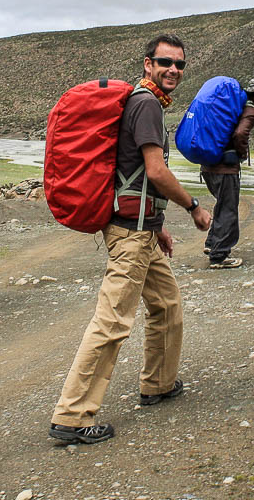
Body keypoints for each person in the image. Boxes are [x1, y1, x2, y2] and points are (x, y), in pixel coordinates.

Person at [49, 34, 213, 445]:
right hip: (130, 234)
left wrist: (158, 225)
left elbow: (133, 173)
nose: (173, 70)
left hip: (142, 228)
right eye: (165, 62)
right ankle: (72, 416)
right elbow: (155, 171)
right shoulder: (146, 105)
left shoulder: (144, 102)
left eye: (179, 64)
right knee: (112, 321)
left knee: (166, 305)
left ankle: (158, 383)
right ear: (147, 64)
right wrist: (193, 205)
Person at [200, 77, 254, 269]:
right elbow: (239, 134)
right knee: (228, 208)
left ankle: (212, 244)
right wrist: (241, 153)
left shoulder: (232, 108)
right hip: (226, 169)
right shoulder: (250, 111)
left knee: (222, 205)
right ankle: (219, 256)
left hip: (207, 165)